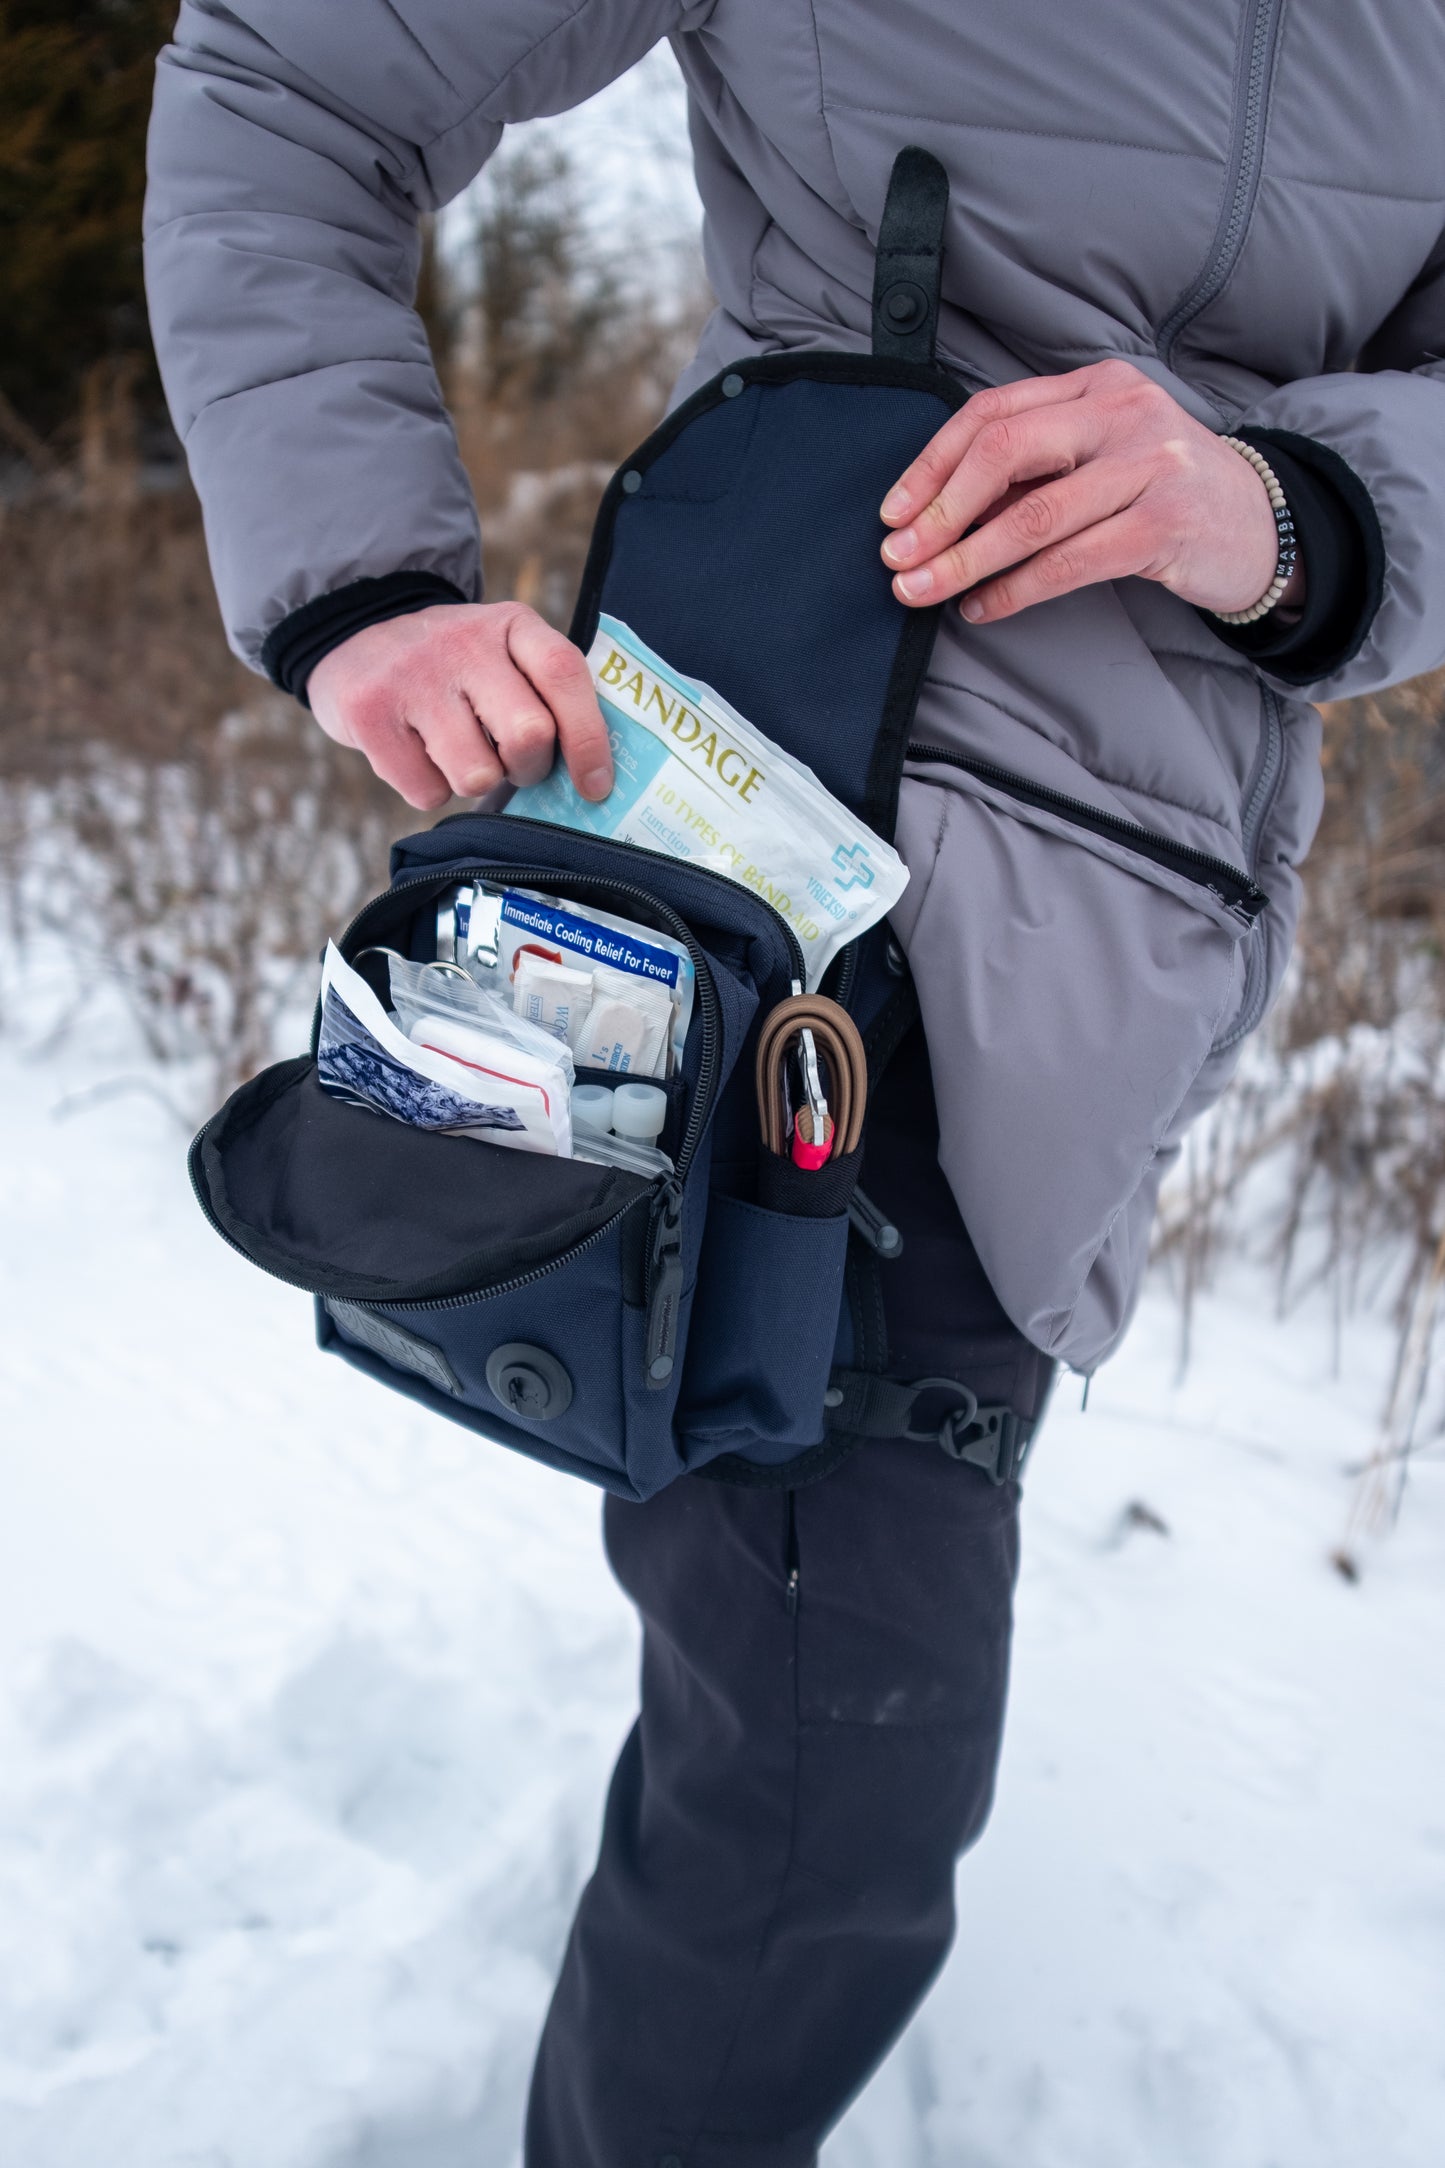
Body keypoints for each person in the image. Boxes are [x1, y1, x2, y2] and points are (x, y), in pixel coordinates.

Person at [145, 6, 1442, 2160]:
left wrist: (1287, 512)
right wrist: (362, 589)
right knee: (831, 1788)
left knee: (822, 1701)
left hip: (1139, 964)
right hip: (786, 918)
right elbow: (291, 77)